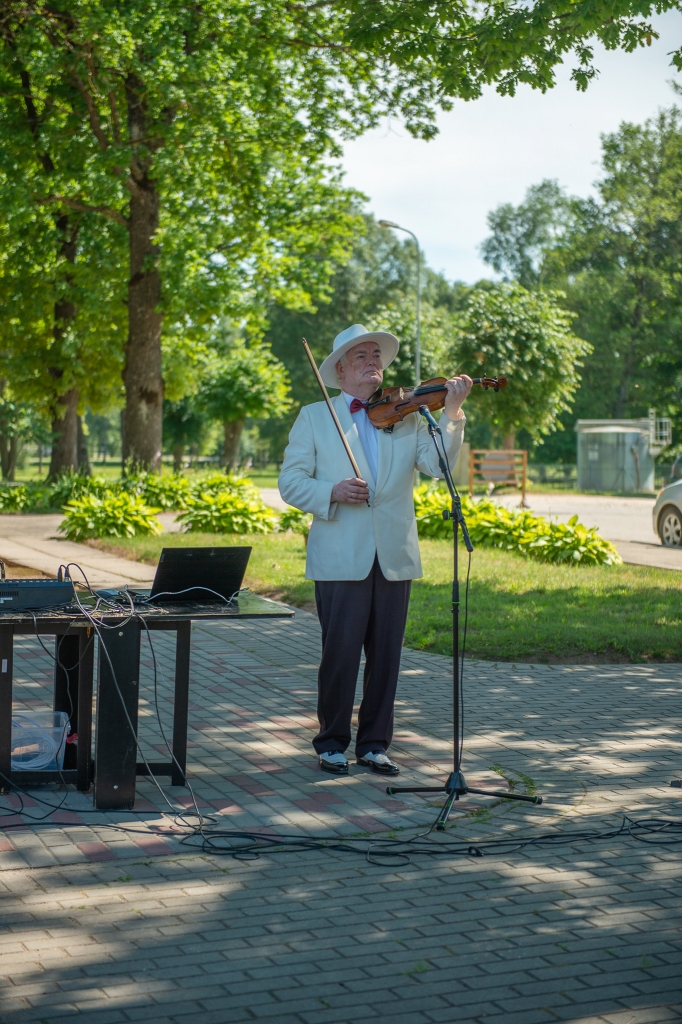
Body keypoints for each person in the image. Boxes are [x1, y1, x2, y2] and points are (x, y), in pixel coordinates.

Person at [279, 324, 472, 775]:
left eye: (377, 354)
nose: (373, 361)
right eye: (361, 355)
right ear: (341, 368)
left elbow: (436, 465)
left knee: (386, 655)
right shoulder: (315, 415)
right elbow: (290, 482)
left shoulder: (406, 413)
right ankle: (330, 742)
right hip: (340, 554)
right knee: (341, 653)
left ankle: (373, 744)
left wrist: (453, 413)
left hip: (393, 553)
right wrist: (332, 490)